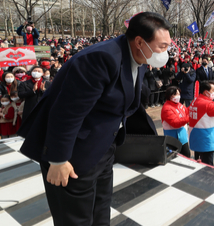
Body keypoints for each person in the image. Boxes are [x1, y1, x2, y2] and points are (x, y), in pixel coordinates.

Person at [18, 12, 171, 226]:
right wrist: (59, 160)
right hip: (73, 156)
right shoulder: (101, 59)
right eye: (162, 46)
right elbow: (67, 112)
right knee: (77, 220)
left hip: (102, 147)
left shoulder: (140, 57)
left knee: (100, 214)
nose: (166, 53)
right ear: (139, 41)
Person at [161, 86, 191, 157]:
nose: (178, 96)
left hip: (182, 136)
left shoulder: (178, 104)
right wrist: (189, 118)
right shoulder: (167, 108)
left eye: (179, 94)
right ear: (170, 96)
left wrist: (193, 107)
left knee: (187, 155)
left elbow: (186, 111)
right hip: (173, 138)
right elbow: (175, 123)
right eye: (176, 94)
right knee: (175, 157)